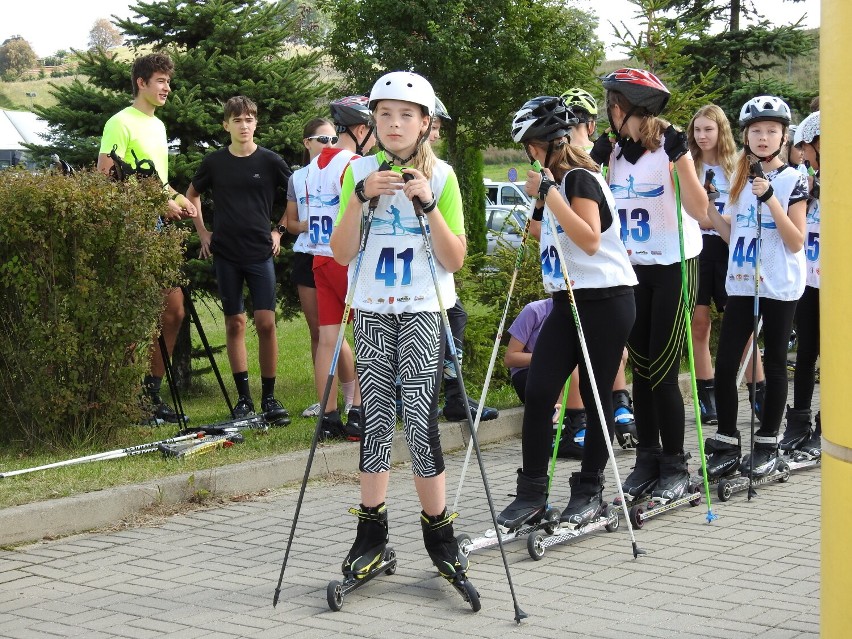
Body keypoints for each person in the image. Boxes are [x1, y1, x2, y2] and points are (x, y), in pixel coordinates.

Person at [330, 71, 472, 589]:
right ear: (373, 122)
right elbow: (342, 253)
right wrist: (360, 198)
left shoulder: (445, 176)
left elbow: (454, 259)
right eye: (385, 114)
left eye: (406, 115)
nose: (394, 124)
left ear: (425, 123)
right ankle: (372, 534)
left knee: (418, 421)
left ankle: (440, 536)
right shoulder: (358, 171)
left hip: (421, 311)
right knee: (375, 421)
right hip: (371, 309)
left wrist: (428, 204)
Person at [496, 96, 637, 532]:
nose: (529, 156)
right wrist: (538, 204)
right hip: (566, 301)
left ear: (543, 146)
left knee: (596, 398)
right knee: (539, 393)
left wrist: (550, 195)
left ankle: (589, 488)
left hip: (606, 300)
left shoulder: (578, 178)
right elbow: (542, 230)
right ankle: (532, 493)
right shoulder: (558, 181)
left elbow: (590, 239)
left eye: (530, 148)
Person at [592, 68, 710, 503]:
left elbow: (698, 211)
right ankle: (648, 458)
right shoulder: (618, 154)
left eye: (611, 106)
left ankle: (676, 464)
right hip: (633, 270)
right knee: (642, 368)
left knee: (661, 370)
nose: (609, 113)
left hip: (675, 265)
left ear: (623, 107)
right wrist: (596, 158)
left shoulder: (670, 148)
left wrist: (683, 160)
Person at [704, 96, 808, 479]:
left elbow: (796, 240)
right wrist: (711, 212)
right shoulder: (738, 179)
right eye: (756, 131)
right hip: (744, 282)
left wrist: (770, 199)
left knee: (775, 361)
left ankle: (767, 442)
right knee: (727, 363)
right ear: (745, 136)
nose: (763, 138)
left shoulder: (793, 178)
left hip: (779, 283)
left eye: (772, 131)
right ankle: (728, 441)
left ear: (783, 137)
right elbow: (735, 235)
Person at [97, 52, 198, 424]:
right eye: (160, 81)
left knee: (173, 312)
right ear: (141, 83)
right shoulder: (119, 122)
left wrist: (177, 198)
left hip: (157, 230)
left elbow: (158, 180)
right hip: (131, 232)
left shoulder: (158, 127)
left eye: (168, 81)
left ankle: (149, 396)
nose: (167, 88)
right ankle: (123, 400)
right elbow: (107, 178)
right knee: (135, 318)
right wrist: (157, 201)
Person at [185, 96, 291, 423]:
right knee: (235, 323)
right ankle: (244, 399)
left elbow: (294, 197)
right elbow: (192, 195)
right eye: (237, 120)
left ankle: (270, 398)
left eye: (249, 120)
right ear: (226, 125)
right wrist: (203, 231)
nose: (243, 126)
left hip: (260, 252)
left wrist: (279, 232)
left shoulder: (271, 161)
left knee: (265, 322)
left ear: (256, 123)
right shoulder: (215, 162)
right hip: (227, 254)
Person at [294, 96, 373, 441]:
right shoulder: (355, 163)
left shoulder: (309, 169)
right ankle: (358, 410)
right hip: (349, 260)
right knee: (368, 336)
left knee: (328, 337)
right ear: (359, 130)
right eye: (373, 131)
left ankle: (327, 416)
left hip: (319, 259)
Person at [561, 86, 637, 444]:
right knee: (579, 349)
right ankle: (584, 414)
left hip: (610, 254)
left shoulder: (603, 154)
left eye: (580, 122)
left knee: (607, 348)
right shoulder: (563, 161)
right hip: (571, 265)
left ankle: (618, 405)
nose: (574, 129)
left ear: (590, 126)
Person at [687, 104, 766, 426]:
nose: (702, 136)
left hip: (732, 250)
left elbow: (747, 210)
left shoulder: (738, 166)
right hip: (696, 251)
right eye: (697, 129)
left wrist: (714, 219)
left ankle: (759, 393)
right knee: (699, 325)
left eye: (708, 129)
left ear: (721, 131)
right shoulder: (687, 165)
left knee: (743, 330)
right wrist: (703, 220)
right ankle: (707, 397)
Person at [429, 95, 498, 422]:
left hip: (439, 268)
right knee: (449, 320)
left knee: (455, 317)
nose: (438, 136)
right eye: (436, 128)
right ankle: (439, 397)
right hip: (416, 276)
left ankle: (454, 397)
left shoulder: (440, 173)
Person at [283, 118, 339, 418]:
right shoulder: (298, 177)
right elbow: (290, 223)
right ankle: (325, 399)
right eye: (322, 140)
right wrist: (307, 224)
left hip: (337, 255)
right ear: (307, 143)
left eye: (333, 140)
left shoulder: (344, 170)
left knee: (338, 333)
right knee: (318, 330)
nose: (329, 146)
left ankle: (353, 394)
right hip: (308, 255)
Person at [780, 110, 821, 458]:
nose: (804, 154)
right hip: (810, 280)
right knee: (806, 352)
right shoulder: (806, 183)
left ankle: (832, 422)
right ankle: (799, 422)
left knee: (837, 358)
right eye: (803, 148)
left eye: (808, 147)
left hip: (839, 286)